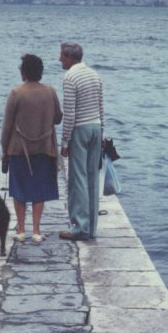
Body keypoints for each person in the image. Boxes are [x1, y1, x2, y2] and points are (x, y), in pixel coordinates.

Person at [0, 53, 63, 243]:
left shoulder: (16, 93)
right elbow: (58, 118)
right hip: (44, 148)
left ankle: (21, 230)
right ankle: (36, 231)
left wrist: (4, 150)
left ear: (24, 71)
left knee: (19, 190)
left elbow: (6, 127)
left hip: (19, 150)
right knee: (39, 190)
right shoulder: (51, 91)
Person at [58, 41, 104, 241]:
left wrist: (65, 141)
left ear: (69, 57)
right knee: (93, 177)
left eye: (61, 56)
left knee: (78, 179)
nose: (59, 59)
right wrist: (102, 132)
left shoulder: (70, 77)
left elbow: (70, 113)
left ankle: (79, 227)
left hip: (80, 129)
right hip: (96, 127)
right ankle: (91, 227)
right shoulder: (94, 74)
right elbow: (101, 105)